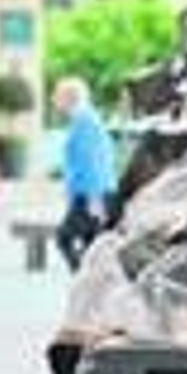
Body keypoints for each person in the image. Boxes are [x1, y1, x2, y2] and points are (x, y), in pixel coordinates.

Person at [52, 76, 118, 272]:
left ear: (69, 97)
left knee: (64, 238)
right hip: (88, 193)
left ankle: (85, 279)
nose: (53, 99)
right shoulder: (83, 119)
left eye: (57, 95)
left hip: (90, 195)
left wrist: (94, 198)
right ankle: (91, 284)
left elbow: (94, 161)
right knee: (91, 244)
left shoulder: (85, 121)